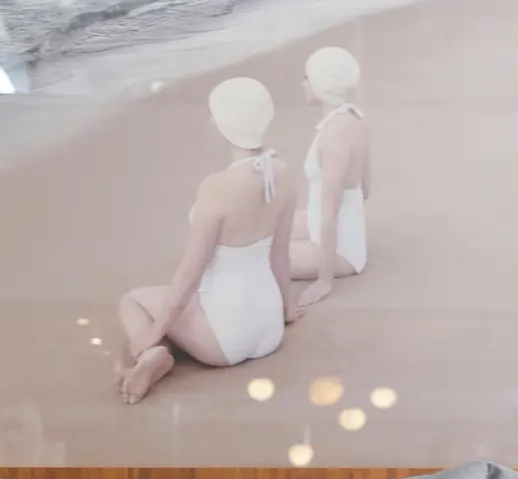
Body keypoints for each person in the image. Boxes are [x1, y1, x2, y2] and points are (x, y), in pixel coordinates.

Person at [115, 76, 300, 404]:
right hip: (270, 329)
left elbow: (189, 275)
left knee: (132, 301)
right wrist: (287, 308)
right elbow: (279, 255)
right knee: (182, 309)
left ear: (222, 125)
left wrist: (153, 335)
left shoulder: (216, 187)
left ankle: (152, 355)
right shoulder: (282, 173)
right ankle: (161, 352)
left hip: (224, 339)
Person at [290, 44, 369, 307]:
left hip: (340, 252)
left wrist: (324, 281)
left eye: (306, 77)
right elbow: (365, 189)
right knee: (261, 228)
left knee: (260, 257)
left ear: (321, 83)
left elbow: (329, 213)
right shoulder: (353, 118)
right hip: (335, 232)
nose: (303, 83)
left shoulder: (334, 135)